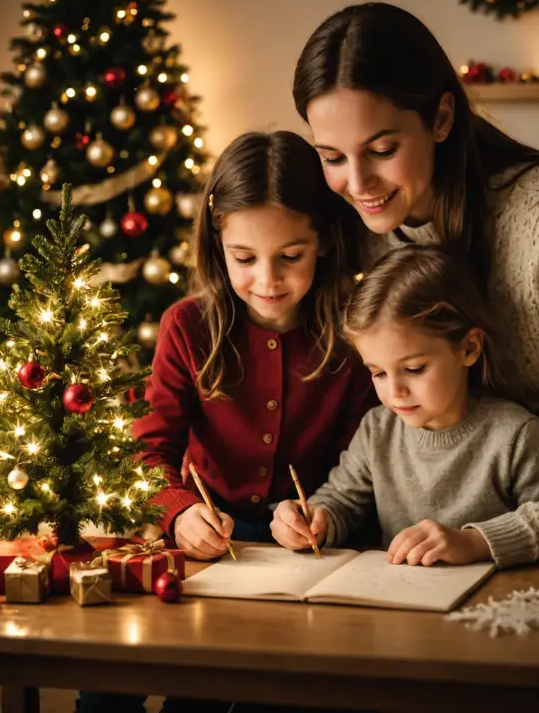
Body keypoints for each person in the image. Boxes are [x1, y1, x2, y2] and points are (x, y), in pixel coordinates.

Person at [291, 2, 539, 712]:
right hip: (451, 536)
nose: (359, 182)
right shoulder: (366, 232)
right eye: (331, 158)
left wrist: (487, 538)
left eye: (382, 148)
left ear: (441, 119)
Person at [76, 130, 377, 713]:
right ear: (218, 248)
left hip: (306, 552)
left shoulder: (355, 333)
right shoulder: (187, 326)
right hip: (204, 546)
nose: (268, 280)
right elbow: (149, 449)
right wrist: (179, 512)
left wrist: (324, 511)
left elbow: (361, 461)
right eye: (245, 259)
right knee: (106, 685)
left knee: (246, 689)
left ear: (324, 243)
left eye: (291, 256)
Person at [272, 244, 539, 564]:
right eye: (378, 373)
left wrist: (474, 541)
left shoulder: (515, 436)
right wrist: (314, 519)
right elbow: (341, 500)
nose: (395, 391)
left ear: (468, 348)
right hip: (399, 601)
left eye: (414, 369)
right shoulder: (377, 430)